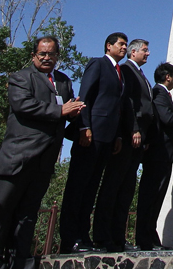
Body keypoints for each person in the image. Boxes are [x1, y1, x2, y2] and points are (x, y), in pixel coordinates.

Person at [0, 36, 84, 268]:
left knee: (28, 214)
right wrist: (60, 110)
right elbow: (23, 105)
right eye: (42, 54)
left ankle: (21, 261)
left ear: (58, 56)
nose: (46, 58)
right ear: (34, 55)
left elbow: (66, 110)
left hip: (44, 160)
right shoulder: (21, 78)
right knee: (1, 211)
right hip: (17, 158)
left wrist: (74, 114)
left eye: (51, 54)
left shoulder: (63, 81)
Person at [60, 32, 129, 253]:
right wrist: (84, 127)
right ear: (108, 46)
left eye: (126, 45)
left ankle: (84, 236)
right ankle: (70, 239)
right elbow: (85, 97)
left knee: (91, 188)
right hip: (90, 135)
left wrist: (118, 135)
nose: (124, 48)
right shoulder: (98, 64)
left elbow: (116, 106)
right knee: (78, 187)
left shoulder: (120, 74)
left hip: (108, 137)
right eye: (121, 44)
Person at [91, 39, 154, 252]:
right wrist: (134, 129)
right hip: (128, 136)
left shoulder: (141, 74)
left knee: (126, 190)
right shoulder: (126, 70)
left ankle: (117, 237)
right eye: (144, 50)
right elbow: (127, 102)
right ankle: (102, 236)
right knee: (112, 187)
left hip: (139, 138)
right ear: (133, 52)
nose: (148, 53)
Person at [137, 62, 173, 251]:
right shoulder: (159, 93)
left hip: (164, 154)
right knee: (151, 195)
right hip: (158, 153)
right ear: (168, 76)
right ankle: (144, 238)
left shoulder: (162, 94)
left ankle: (151, 237)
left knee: (157, 197)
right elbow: (167, 118)